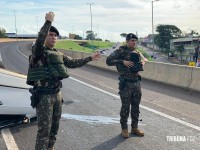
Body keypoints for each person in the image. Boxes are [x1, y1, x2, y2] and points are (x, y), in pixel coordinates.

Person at [26, 12, 100, 150]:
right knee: (44, 131)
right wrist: (48, 22)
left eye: (55, 35)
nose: (53, 37)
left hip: (57, 95)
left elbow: (72, 63)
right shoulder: (38, 52)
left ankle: (50, 148)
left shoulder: (58, 54)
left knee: (55, 128)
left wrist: (90, 58)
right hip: (43, 96)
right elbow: (39, 39)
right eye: (51, 34)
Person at [106, 33, 147, 138]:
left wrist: (141, 64)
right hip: (126, 83)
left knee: (136, 107)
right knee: (125, 107)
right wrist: (122, 61)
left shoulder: (136, 52)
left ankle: (134, 128)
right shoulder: (120, 51)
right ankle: (124, 129)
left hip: (136, 82)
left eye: (135, 41)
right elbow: (108, 61)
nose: (134, 42)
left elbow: (140, 63)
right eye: (132, 40)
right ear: (127, 41)